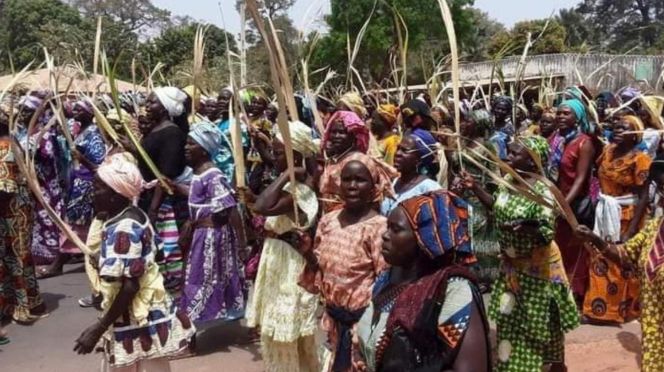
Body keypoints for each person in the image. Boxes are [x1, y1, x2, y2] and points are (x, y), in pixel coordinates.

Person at [463, 136, 579, 372]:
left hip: (537, 270)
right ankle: (513, 365)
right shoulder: (508, 180)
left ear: (533, 161)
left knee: (536, 323)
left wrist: (526, 227)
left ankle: (538, 365)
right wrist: (474, 187)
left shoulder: (544, 191)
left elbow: (546, 232)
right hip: (511, 267)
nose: (509, 157)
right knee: (509, 320)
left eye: (516, 154)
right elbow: (495, 205)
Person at [73, 153, 195, 371]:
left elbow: (130, 286)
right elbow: (150, 258)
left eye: (99, 188)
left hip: (136, 317)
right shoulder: (134, 215)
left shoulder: (123, 227)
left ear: (116, 194)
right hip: (145, 312)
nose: (93, 194)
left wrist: (98, 329)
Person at [356, 190, 490, 372]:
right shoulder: (386, 279)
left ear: (424, 239)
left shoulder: (453, 291)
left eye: (396, 229)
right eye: (388, 227)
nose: (385, 236)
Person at [301, 153, 395, 371]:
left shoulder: (379, 228)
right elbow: (320, 274)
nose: (352, 186)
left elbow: (386, 284)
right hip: (335, 321)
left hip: (363, 326)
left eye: (360, 180)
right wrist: (307, 254)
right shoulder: (328, 221)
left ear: (373, 186)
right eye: (347, 179)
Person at [576, 156, 664, 372]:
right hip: (655, 341)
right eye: (662, 188)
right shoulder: (655, 228)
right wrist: (594, 239)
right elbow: (625, 255)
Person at [246, 121, 321, 372]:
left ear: (295, 157)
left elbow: (263, 207)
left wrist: (286, 173)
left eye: (279, 153)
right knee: (282, 337)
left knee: (287, 336)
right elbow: (262, 206)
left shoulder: (300, 190)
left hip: (290, 266)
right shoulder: (291, 188)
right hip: (278, 259)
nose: (273, 158)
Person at [174, 122, 248, 324]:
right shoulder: (199, 174)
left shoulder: (213, 175)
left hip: (210, 237)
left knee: (201, 277)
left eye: (191, 144)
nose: (186, 148)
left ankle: (193, 322)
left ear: (204, 150)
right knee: (197, 276)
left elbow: (230, 209)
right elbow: (200, 199)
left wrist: (242, 244)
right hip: (200, 233)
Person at [583, 115, 651, 324]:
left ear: (635, 135)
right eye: (617, 127)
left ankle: (618, 311)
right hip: (605, 209)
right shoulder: (608, 151)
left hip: (626, 214)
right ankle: (596, 309)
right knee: (598, 256)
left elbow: (643, 195)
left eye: (625, 129)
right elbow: (596, 174)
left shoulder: (640, 159)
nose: (619, 131)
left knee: (619, 260)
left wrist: (631, 229)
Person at [128, 87, 188, 295]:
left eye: (152, 102)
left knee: (164, 243)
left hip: (161, 200)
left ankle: (168, 285)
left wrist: (154, 208)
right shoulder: (156, 129)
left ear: (164, 108)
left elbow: (166, 175)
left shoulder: (172, 133)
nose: (147, 105)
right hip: (147, 195)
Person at [44, 101, 106, 278]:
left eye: (81, 109)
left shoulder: (93, 135)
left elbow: (99, 164)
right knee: (80, 225)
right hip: (76, 182)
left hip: (86, 185)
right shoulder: (80, 131)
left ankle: (59, 263)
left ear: (90, 113)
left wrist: (81, 159)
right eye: (75, 108)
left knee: (73, 224)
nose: (76, 112)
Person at [0, 110, 45, 324]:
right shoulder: (13, 141)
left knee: (15, 257)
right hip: (20, 209)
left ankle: (19, 305)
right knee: (20, 257)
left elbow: (3, 188)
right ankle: (29, 300)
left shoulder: (4, 147)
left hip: (11, 212)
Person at [450, 109, 501, 289]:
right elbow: (454, 169)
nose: (464, 124)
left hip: (478, 197)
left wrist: (488, 197)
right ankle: (467, 273)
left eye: (468, 121)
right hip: (460, 196)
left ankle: (484, 278)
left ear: (478, 124)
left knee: (479, 239)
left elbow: (494, 176)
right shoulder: (459, 144)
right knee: (463, 235)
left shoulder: (488, 147)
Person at [554, 99, 599, 304]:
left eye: (566, 114)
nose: (561, 117)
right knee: (560, 248)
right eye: (559, 113)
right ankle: (561, 289)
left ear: (577, 118)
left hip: (574, 205)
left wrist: (563, 204)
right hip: (558, 202)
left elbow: (581, 180)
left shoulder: (584, 143)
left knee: (575, 250)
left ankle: (576, 294)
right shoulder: (557, 140)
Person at [319, 110, 373, 213]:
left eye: (342, 132)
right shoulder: (333, 160)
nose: (336, 136)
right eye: (333, 132)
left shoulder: (360, 161)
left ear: (353, 135)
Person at [380, 135, 441, 215]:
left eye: (405, 151)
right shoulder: (394, 182)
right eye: (398, 148)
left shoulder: (430, 189)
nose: (397, 153)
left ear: (418, 159)